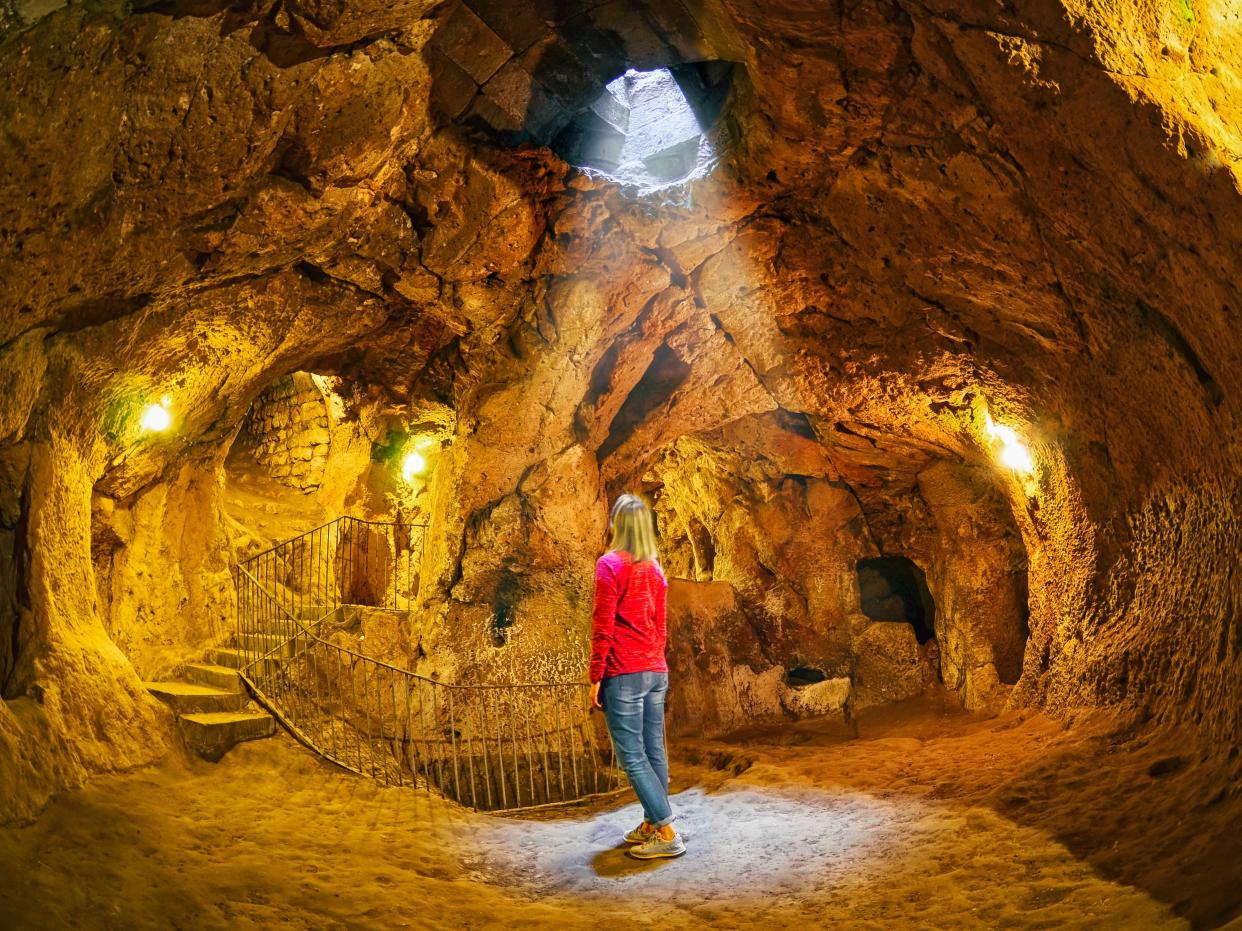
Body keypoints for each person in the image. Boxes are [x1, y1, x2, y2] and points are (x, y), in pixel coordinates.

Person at [589, 493, 685, 860]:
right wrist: (654, 661)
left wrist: (596, 675)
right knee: (654, 749)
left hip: (624, 671)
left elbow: (604, 625)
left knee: (631, 755)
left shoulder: (609, 565)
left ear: (617, 525)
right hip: (654, 670)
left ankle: (666, 830)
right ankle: (650, 822)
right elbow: (661, 627)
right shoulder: (655, 569)